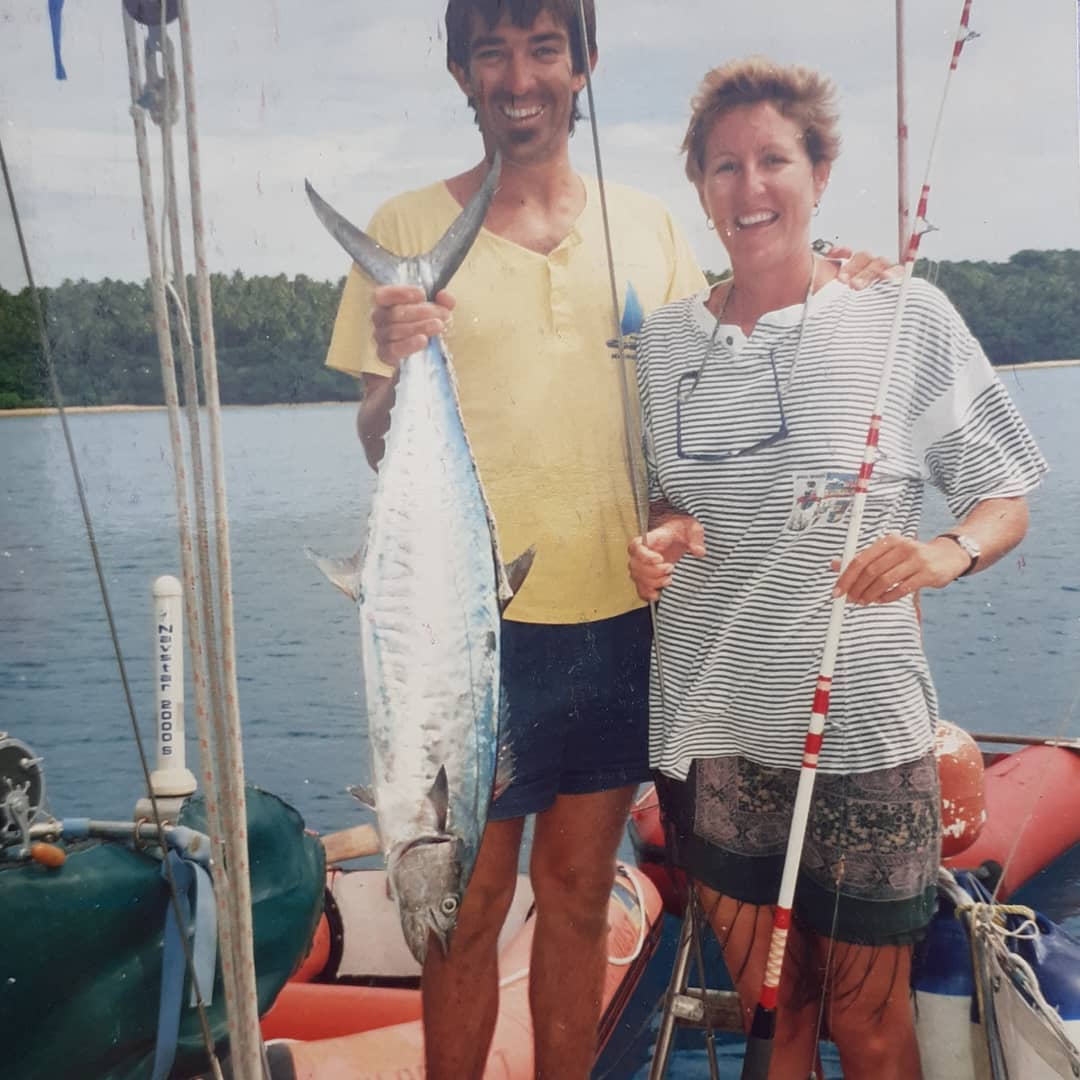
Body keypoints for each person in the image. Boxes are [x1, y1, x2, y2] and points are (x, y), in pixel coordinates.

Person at [325, 5, 890, 1074]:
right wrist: (397, 363)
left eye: (543, 47)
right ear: (459, 73)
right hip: (465, 635)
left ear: (584, 63)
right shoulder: (404, 224)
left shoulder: (647, 225)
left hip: (619, 618)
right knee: (464, 910)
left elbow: (716, 388)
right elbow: (372, 440)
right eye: (490, 51)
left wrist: (838, 281)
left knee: (580, 899)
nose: (518, 75)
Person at [627, 58, 1047, 1079]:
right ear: (699, 184)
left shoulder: (905, 316)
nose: (749, 186)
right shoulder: (662, 344)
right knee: (776, 1012)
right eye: (724, 166)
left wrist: (942, 553)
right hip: (710, 729)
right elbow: (669, 496)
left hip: (860, 729)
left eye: (774, 158)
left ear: (819, 171)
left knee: (866, 1026)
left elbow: (1004, 497)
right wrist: (663, 532)